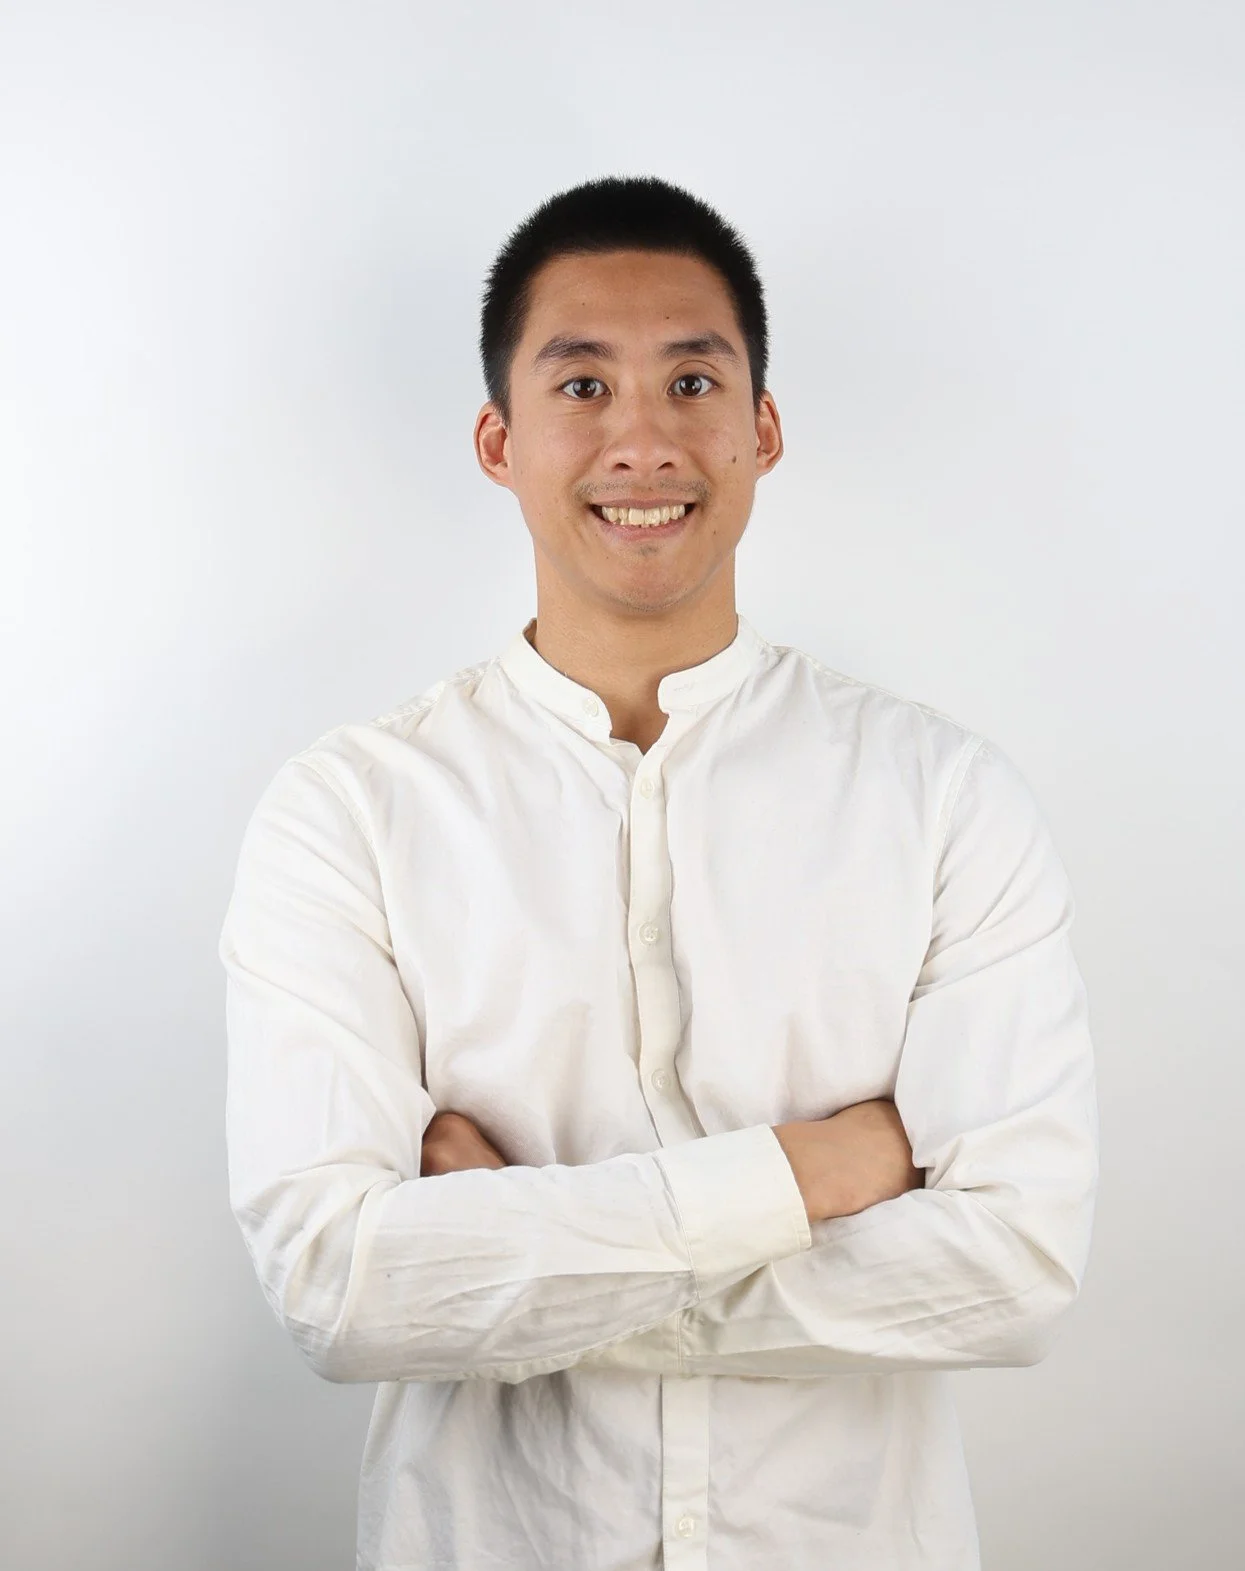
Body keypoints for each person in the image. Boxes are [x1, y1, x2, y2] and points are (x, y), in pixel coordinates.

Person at [219, 175, 1099, 1571]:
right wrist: (813, 1172)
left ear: (761, 429)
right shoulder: (350, 812)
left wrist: (503, 1261)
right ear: (499, 441)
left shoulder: (942, 796)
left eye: (693, 378)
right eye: (583, 385)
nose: (642, 436)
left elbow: (1015, 1271)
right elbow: (337, 1288)